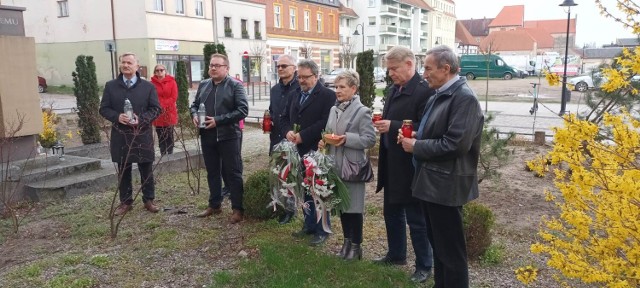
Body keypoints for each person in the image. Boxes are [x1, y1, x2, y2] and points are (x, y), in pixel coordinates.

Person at [399, 45, 483, 288]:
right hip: (432, 182)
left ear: (446, 69)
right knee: (439, 246)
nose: (423, 74)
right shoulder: (441, 93)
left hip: (446, 185)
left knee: (451, 251)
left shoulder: (463, 98)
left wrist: (416, 146)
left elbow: (455, 144)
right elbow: (438, 132)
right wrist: (415, 135)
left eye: (427, 68)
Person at [372, 46, 435, 283]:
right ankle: (396, 254)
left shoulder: (424, 92)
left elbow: (427, 126)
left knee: (416, 219)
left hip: (411, 165)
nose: (390, 74)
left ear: (409, 64)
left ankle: (424, 265)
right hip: (391, 162)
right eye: (388, 69)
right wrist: (384, 125)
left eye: (394, 69)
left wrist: (394, 124)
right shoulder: (394, 89)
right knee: (392, 213)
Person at [318, 70, 376, 260]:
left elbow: (369, 140)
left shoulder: (363, 111)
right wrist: (324, 141)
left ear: (353, 88)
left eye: (342, 87)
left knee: (354, 208)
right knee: (342, 207)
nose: (338, 90)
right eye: (336, 87)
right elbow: (327, 131)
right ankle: (346, 242)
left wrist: (347, 139)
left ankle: (356, 246)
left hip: (352, 167)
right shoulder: (333, 109)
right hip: (335, 165)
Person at [99, 52, 161, 216]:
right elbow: (104, 108)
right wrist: (117, 117)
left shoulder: (148, 87)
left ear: (137, 66)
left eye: (129, 63)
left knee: (146, 168)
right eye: (123, 63)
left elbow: (156, 109)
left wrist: (141, 119)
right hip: (121, 135)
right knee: (123, 169)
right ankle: (125, 202)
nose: (126, 65)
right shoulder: (111, 86)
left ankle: (149, 199)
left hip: (142, 134)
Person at [281, 59, 335, 246]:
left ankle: (323, 229)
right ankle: (309, 224)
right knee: (304, 188)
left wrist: (303, 135)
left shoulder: (327, 95)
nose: (301, 81)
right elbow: (285, 117)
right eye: (299, 77)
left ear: (316, 76)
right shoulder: (295, 93)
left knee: (319, 189)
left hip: (316, 148)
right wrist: (287, 130)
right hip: (298, 150)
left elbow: (325, 122)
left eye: (306, 77)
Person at [190, 53, 248, 224]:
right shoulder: (204, 85)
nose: (213, 68)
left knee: (233, 173)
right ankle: (215, 204)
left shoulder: (235, 86)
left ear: (226, 68)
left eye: (217, 65)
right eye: (211, 65)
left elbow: (243, 110)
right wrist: (194, 115)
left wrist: (218, 120)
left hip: (229, 136)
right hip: (207, 136)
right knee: (212, 172)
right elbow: (194, 105)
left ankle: (238, 208)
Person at [269, 54, 300, 224]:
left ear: (294, 68)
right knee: (279, 174)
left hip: (293, 137)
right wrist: (268, 122)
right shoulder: (275, 90)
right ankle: (282, 206)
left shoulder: (299, 87)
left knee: (293, 175)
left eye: (284, 66)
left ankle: (292, 208)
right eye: (278, 66)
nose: (280, 69)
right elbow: (273, 111)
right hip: (277, 138)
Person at [151, 64, 178, 155]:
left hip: (169, 111)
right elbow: (152, 97)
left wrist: (163, 104)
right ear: (155, 72)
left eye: (161, 70)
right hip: (158, 112)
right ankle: (163, 154)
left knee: (169, 134)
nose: (159, 72)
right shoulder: (151, 83)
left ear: (165, 71)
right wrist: (158, 106)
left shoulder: (172, 81)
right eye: (157, 70)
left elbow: (174, 97)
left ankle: (170, 154)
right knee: (160, 134)